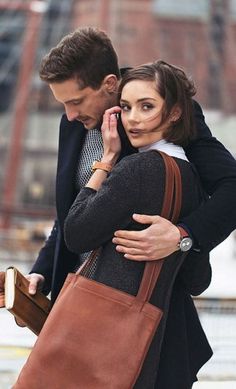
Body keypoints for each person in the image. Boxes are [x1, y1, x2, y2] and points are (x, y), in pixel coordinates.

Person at [0, 27, 236, 373]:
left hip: (149, 320)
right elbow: (71, 213)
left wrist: (183, 236)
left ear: (110, 84)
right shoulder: (75, 124)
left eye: (77, 101)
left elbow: (231, 184)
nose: (68, 115)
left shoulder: (167, 109)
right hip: (81, 317)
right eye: (63, 103)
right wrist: (41, 275)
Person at [63, 59, 212, 388]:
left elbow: (75, 233)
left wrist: (106, 161)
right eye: (127, 107)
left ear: (174, 112)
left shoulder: (138, 169)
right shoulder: (193, 178)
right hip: (164, 343)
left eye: (147, 107)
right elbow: (198, 279)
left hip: (110, 338)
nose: (133, 119)